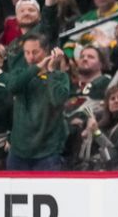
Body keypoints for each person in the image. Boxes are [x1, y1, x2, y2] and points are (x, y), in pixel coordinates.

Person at [6, 36, 70, 170]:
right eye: (26, 52)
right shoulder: (20, 73)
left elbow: (58, 99)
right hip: (18, 152)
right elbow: (12, 87)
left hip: (48, 153)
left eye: (35, 52)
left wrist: (51, 72)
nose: (30, 57)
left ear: (46, 51)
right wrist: (37, 67)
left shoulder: (59, 76)